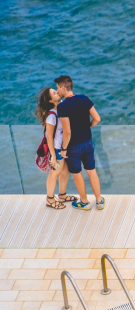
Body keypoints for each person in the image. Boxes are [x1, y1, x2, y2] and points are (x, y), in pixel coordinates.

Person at [55, 75, 105, 210]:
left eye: (58, 88)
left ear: (63, 88)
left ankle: (84, 202)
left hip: (73, 147)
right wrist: (88, 126)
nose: (58, 91)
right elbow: (97, 118)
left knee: (77, 173)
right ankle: (99, 201)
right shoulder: (84, 98)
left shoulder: (63, 106)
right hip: (88, 142)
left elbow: (67, 132)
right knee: (91, 171)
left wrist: (63, 148)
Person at [35, 87, 78, 209]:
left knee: (65, 170)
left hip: (63, 148)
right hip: (57, 151)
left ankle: (62, 196)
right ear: (50, 101)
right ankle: (49, 199)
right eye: (54, 93)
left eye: (56, 90)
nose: (57, 92)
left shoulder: (61, 109)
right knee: (55, 172)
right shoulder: (52, 115)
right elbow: (49, 136)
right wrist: (53, 156)